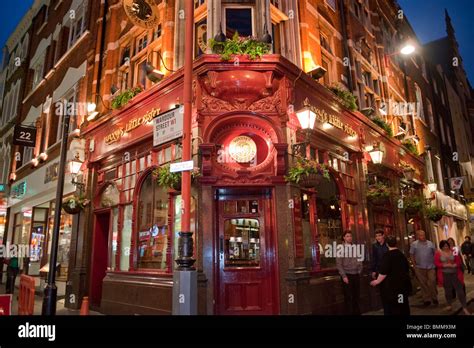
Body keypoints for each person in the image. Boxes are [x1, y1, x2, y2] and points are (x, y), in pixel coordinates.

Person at [370, 235, 411, 315]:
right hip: (402, 287)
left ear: (387, 244)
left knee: (392, 306)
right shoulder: (401, 255)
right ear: (396, 243)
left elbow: (384, 272)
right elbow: (406, 269)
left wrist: (377, 281)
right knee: (402, 304)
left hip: (391, 288)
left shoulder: (387, 256)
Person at [434, 240, 471, 315]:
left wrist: (455, 265)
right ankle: (449, 304)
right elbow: (436, 263)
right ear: (441, 247)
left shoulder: (454, 251)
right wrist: (445, 265)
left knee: (460, 291)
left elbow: (458, 261)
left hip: (455, 274)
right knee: (448, 291)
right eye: (444, 246)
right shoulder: (438, 253)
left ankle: (464, 307)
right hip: (445, 274)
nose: (446, 247)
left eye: (447, 246)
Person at [336, 231, 363, 315]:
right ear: (344, 238)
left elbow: (359, 259)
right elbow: (339, 264)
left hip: (356, 274)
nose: (349, 238)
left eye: (350, 236)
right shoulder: (340, 248)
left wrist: (359, 269)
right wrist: (344, 276)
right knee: (348, 297)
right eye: (347, 236)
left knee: (356, 296)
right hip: (347, 275)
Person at [409, 230, 438, 306]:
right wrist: (414, 265)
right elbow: (411, 255)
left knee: (432, 281)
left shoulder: (430, 243)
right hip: (419, 267)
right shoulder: (414, 244)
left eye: (423, 235)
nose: (422, 236)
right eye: (421, 235)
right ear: (418, 236)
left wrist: (436, 262)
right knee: (423, 283)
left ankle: (434, 297)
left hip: (430, 266)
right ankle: (427, 299)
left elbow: (435, 253)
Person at [370, 229, 389, 314]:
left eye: (379, 235)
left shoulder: (388, 245)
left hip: (388, 271)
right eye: (376, 236)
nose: (378, 237)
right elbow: (374, 258)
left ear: (383, 235)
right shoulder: (375, 246)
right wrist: (373, 270)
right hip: (379, 270)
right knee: (382, 291)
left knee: (389, 289)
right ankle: (386, 309)